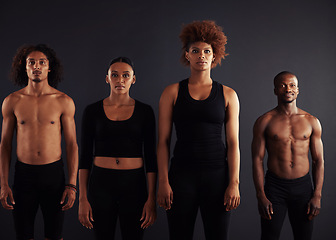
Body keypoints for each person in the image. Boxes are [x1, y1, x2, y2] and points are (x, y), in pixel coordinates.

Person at [157, 20, 241, 240]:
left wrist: (234, 183)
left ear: (215, 55)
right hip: (181, 177)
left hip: (217, 177)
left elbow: (233, 144)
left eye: (206, 51)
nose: (201, 55)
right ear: (187, 55)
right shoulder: (172, 92)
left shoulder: (228, 94)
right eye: (195, 51)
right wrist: (163, 181)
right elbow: (163, 142)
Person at [0, 44, 78, 240]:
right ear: (23, 66)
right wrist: (3, 183)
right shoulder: (12, 101)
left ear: (49, 67)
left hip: (53, 177)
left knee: (54, 235)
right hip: (23, 176)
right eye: (31, 62)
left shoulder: (63, 101)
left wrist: (72, 184)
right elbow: (5, 145)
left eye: (42, 62)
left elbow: (71, 145)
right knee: (24, 235)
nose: (36, 66)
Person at [78, 57, 157, 240]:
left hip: (134, 185)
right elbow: (85, 157)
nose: (120, 80)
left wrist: (151, 198)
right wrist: (83, 198)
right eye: (114, 75)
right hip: (101, 184)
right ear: (107, 78)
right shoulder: (92, 111)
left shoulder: (145, 111)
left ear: (133, 79)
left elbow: (151, 158)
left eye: (125, 75)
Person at [252, 71, 324, 240]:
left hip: (303, 187)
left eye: (292, 85)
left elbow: (318, 160)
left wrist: (317, 194)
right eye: (283, 85)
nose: (288, 89)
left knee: (304, 237)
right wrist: (260, 194)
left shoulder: (311, 121)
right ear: (275, 90)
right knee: (269, 236)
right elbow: (257, 159)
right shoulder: (264, 121)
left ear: (298, 90)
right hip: (275, 188)